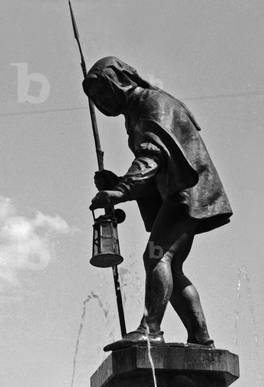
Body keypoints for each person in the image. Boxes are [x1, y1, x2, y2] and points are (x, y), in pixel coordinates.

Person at [84, 56, 232, 350]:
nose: (101, 101)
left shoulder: (152, 104)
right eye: (95, 97)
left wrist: (122, 189)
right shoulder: (137, 112)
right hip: (178, 193)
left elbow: (153, 157)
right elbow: (155, 173)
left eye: (102, 91)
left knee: (156, 257)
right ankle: (201, 339)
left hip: (185, 193)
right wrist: (117, 184)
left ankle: (151, 330)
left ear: (119, 81)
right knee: (171, 265)